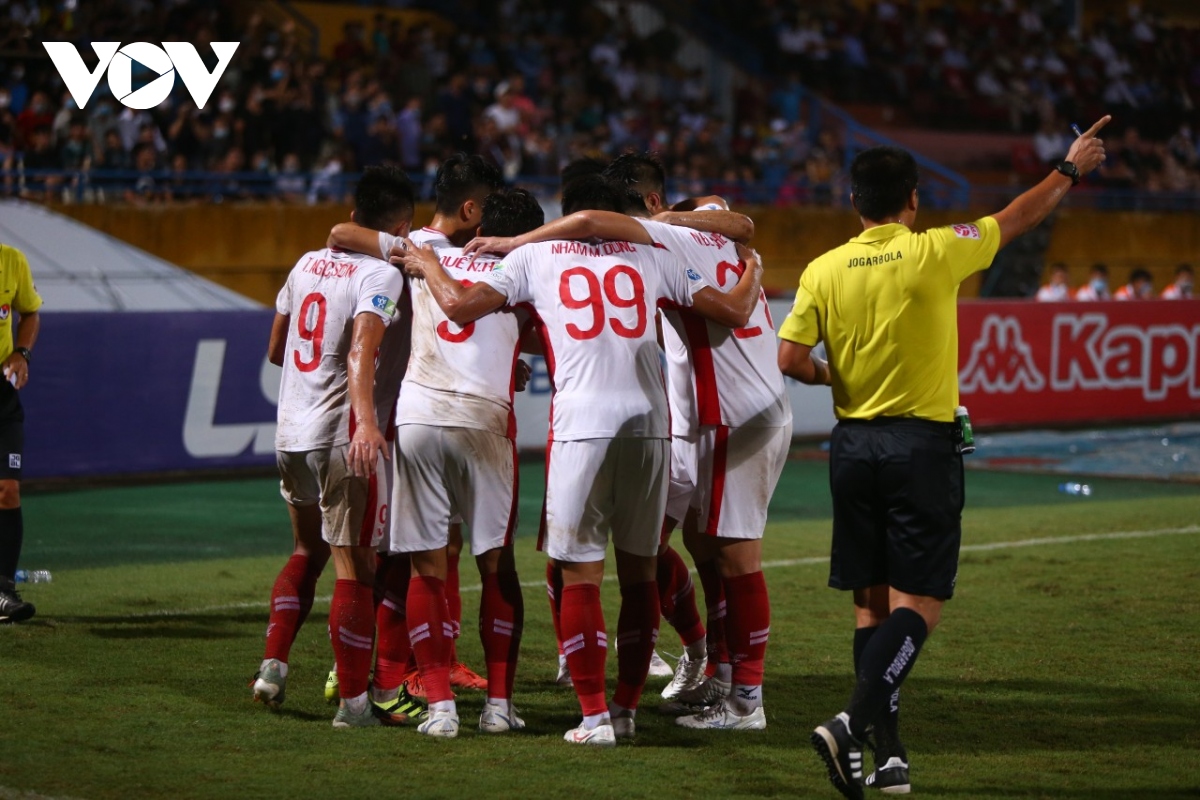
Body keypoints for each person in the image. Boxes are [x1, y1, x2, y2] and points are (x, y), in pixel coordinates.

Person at [777, 118, 1109, 799]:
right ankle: (851, 724)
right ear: (914, 200)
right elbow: (1018, 216)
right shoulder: (932, 251)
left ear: (854, 202)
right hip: (918, 447)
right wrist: (1070, 168)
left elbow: (789, 360)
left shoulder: (822, 268)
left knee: (872, 606)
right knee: (921, 601)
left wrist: (835, 380)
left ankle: (889, 755)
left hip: (850, 446)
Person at [397, 174, 764, 746]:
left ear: (561, 214)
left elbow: (461, 310)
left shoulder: (532, 253)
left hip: (581, 429)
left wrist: (430, 265)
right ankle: (625, 712)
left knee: (579, 576)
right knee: (642, 571)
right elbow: (734, 311)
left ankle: (592, 717)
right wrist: (754, 271)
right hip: (650, 428)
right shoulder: (655, 250)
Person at [327, 153, 505, 697]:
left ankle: (435, 659)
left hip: (431, 412)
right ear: (472, 207)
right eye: (489, 209)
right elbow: (339, 233)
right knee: (405, 552)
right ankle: (383, 670)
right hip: (400, 417)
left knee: (439, 546)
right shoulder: (418, 250)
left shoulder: (447, 252)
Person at [374, 188, 544, 739]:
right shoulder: (527, 269)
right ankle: (498, 706)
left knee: (426, 566)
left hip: (419, 416)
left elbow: (346, 234)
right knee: (496, 565)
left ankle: (440, 708)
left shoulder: (427, 248)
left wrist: (417, 254)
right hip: (485, 422)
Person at [251, 165, 417, 729]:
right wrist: (367, 421)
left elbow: (276, 348)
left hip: (289, 433)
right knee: (355, 569)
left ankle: (272, 667)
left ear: (353, 216)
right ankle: (352, 706)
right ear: (402, 225)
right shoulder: (384, 275)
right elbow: (364, 347)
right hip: (342, 435)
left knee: (306, 552)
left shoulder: (304, 263)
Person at [0, 243, 42, 625]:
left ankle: (4, 592)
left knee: (7, 490)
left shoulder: (12, 260)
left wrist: (21, 353)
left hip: (2, 397)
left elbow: (30, 312)